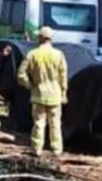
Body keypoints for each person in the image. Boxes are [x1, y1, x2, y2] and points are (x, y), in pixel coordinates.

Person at [17, 26, 68, 157]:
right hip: (55, 95)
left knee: (39, 123)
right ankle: (56, 150)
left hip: (38, 94)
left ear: (40, 37)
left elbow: (21, 74)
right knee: (55, 124)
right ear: (51, 38)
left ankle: (36, 149)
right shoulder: (59, 55)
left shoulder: (32, 54)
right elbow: (63, 76)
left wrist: (30, 85)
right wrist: (63, 92)